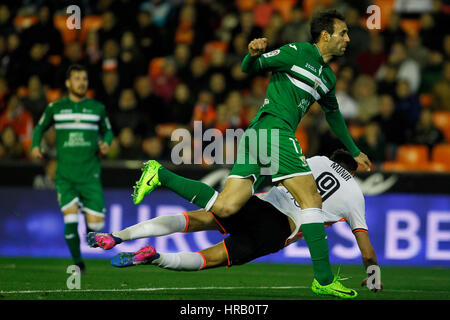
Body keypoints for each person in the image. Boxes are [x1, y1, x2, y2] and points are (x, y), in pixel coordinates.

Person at [132, 10, 371, 294]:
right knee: (311, 198)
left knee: (226, 207)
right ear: (325, 35)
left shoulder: (328, 78)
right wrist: (252, 53)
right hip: (274, 130)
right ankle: (323, 279)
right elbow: (250, 68)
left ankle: (160, 174)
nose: (347, 38)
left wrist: (354, 151)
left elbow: (333, 114)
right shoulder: (298, 52)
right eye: (342, 33)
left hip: (258, 135)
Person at [88, 150, 382, 299]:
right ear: (354, 172)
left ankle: (118, 235)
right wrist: (373, 273)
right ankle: (155, 257)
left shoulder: (316, 160)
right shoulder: (355, 194)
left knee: (198, 217)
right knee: (209, 259)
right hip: (277, 231)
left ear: (332, 158)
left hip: (259, 204)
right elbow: (365, 248)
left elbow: (277, 170)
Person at [31, 64, 114, 273]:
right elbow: (40, 128)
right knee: (69, 218)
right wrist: (35, 145)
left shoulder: (97, 108)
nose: (81, 82)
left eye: (84, 78)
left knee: (96, 228)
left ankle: (89, 227)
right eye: (77, 78)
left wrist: (106, 143)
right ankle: (78, 262)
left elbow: (109, 131)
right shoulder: (55, 108)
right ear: (68, 83)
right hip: (65, 176)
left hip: (90, 176)